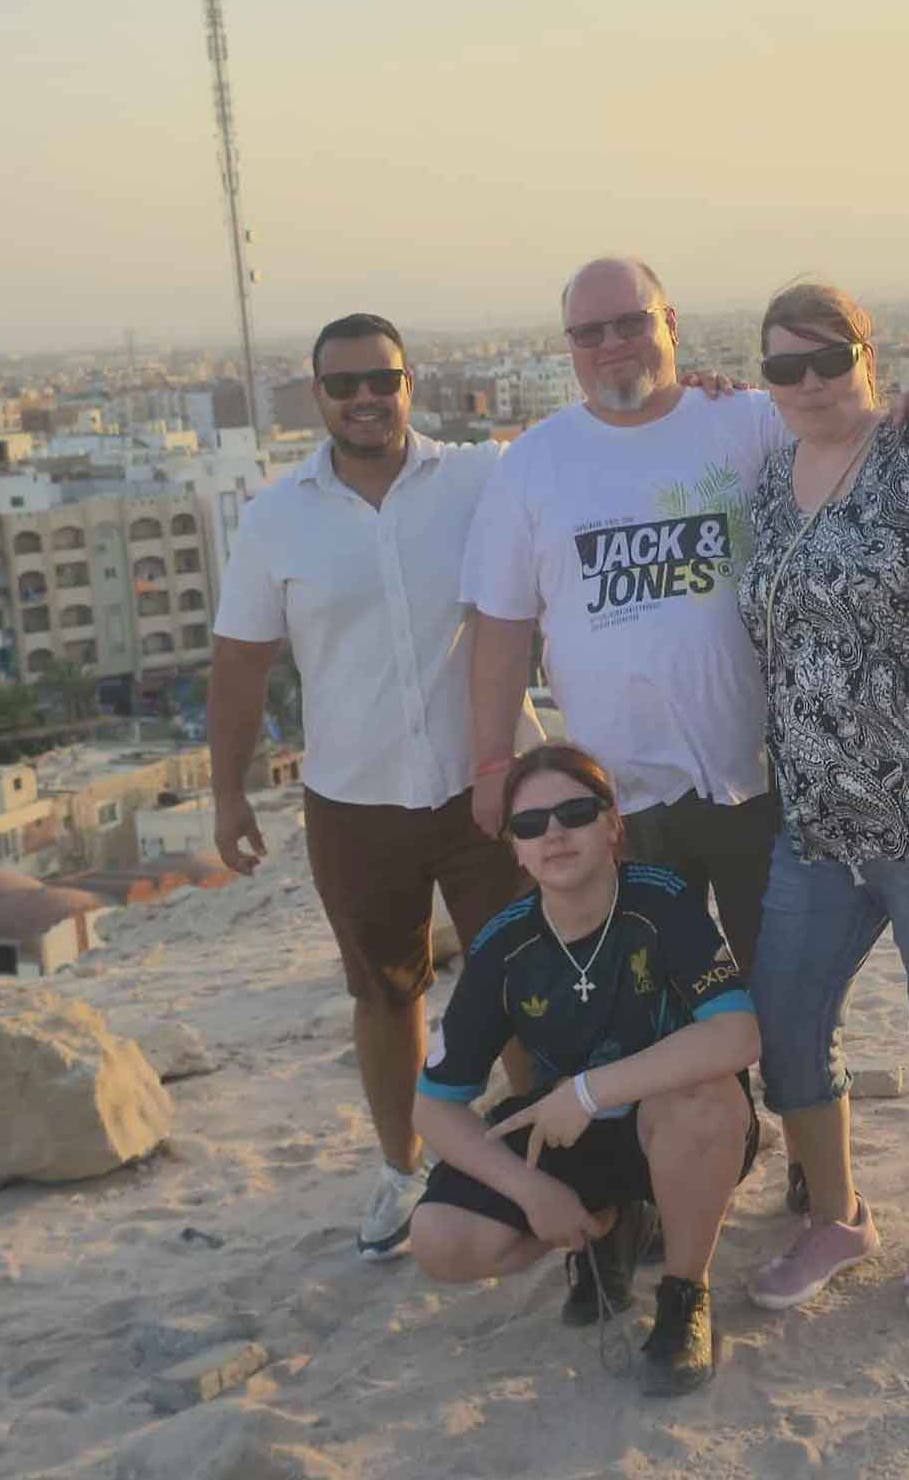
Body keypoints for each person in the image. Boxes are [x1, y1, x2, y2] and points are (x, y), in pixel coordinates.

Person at [209, 311, 536, 1259]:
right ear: (316, 395)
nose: (365, 398)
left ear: (408, 385)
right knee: (385, 993)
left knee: (522, 979)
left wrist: (703, 390)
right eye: (344, 383)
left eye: (381, 380)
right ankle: (403, 1170)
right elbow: (239, 664)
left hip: (485, 784)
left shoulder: (480, 476)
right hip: (354, 800)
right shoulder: (276, 518)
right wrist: (228, 795)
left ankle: (542, 1154)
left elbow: (592, 444)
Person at [734, 282, 909, 1317]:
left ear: (868, 354)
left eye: (827, 360)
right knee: (788, 1024)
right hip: (812, 821)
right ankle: (837, 1217)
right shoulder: (769, 478)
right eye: (784, 366)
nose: (808, 383)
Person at [462, 257, 789, 984]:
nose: (611, 344)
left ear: (669, 324)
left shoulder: (749, 421)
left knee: (793, 1005)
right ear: (569, 346)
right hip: (614, 800)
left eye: (630, 323)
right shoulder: (533, 462)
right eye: (589, 332)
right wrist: (491, 764)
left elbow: (846, 443)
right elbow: (502, 627)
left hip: (759, 780)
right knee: (657, 1006)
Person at [410, 743, 761, 1398]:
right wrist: (529, 1190)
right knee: (437, 1237)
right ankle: (607, 1224)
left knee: (701, 1100)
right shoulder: (502, 945)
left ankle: (685, 1294)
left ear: (613, 825)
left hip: (674, 1124)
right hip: (569, 1130)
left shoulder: (662, 900)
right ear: (516, 849)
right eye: (530, 824)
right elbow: (432, 1106)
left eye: (575, 813)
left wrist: (589, 1090)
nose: (554, 833)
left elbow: (738, 1034)